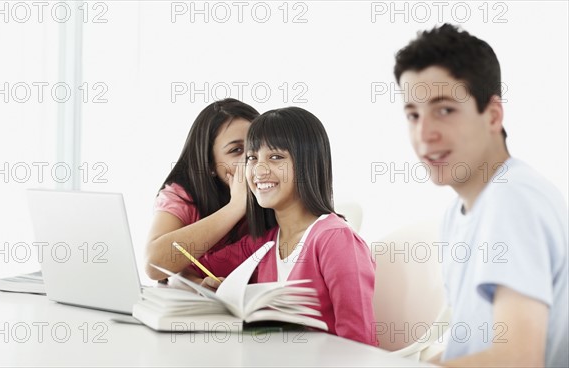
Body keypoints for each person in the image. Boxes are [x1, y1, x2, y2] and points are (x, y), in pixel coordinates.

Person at [394, 24, 568, 367]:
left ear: (492, 114)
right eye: (413, 114)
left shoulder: (512, 200)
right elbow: (475, 349)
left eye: (444, 110)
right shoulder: (460, 211)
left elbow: (519, 359)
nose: (424, 134)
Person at [186, 107, 378, 346]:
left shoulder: (335, 240)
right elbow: (184, 264)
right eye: (252, 158)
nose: (258, 170)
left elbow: (360, 345)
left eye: (275, 157)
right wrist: (213, 290)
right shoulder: (262, 244)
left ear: (307, 164)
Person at [145, 98, 259, 280]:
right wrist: (236, 206)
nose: (251, 158)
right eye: (236, 150)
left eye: (257, 146)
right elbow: (154, 265)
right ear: (210, 165)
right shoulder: (183, 195)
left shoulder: (273, 192)